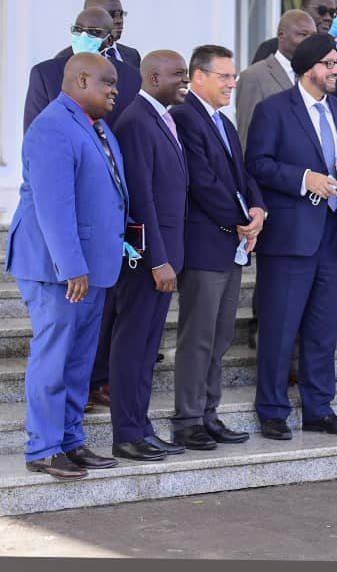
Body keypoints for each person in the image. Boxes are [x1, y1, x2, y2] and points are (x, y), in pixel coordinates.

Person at [7, 53, 127, 480]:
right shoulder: (52, 127)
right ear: (80, 81)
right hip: (56, 266)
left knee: (79, 360)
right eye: (108, 82)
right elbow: (53, 207)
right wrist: (71, 266)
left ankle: (71, 441)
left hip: (91, 265)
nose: (115, 89)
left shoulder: (97, 128)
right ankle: (43, 447)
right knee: (54, 357)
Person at [245, 32, 337, 440]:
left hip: (333, 236)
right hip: (290, 239)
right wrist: (303, 179)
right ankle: (273, 411)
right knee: (279, 328)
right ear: (308, 68)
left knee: (322, 329)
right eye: (329, 64)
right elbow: (257, 164)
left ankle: (319, 408)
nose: (336, 70)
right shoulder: (273, 110)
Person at [170, 45, 266, 450]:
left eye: (233, 77)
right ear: (198, 77)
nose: (232, 83)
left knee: (221, 333)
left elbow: (240, 175)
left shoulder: (223, 123)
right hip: (205, 243)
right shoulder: (184, 117)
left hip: (231, 243)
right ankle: (187, 419)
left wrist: (258, 207)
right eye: (224, 76)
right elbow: (202, 182)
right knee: (199, 335)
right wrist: (240, 218)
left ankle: (209, 413)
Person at [106, 50, 191, 461]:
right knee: (132, 345)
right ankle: (126, 433)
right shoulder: (137, 121)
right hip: (147, 260)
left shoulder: (160, 116)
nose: (185, 80)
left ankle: (141, 427)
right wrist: (157, 259)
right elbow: (140, 199)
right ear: (153, 77)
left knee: (146, 347)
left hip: (165, 254)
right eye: (178, 74)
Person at [24, 6, 142, 131]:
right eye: (78, 30)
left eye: (94, 32)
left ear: (109, 40)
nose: (83, 36)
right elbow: (34, 131)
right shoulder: (45, 74)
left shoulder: (131, 77)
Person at [235, 10, 316, 149]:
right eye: (302, 35)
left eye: (313, 36)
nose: (309, 42)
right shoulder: (254, 76)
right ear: (281, 35)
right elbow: (246, 139)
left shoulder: (317, 76)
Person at [55, 0, 141, 67]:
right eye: (110, 14)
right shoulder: (63, 60)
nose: (119, 20)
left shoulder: (132, 55)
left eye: (121, 14)